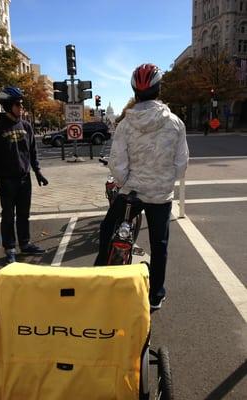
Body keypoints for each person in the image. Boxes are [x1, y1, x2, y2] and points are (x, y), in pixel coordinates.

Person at [94, 63, 189, 310]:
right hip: (160, 196)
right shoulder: (176, 123)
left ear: (134, 91)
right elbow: (181, 163)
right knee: (160, 245)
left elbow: (117, 163)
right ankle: (155, 294)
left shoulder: (125, 124)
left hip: (132, 194)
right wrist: (165, 181)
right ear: (159, 90)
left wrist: (127, 182)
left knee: (107, 230)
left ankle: (98, 279)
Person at [0, 87, 48, 264]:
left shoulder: (26, 126)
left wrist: (38, 172)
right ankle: (10, 248)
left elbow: (32, 153)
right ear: (7, 106)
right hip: (7, 181)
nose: (21, 107)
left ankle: (25, 243)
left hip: (24, 179)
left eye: (22, 104)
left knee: (23, 214)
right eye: (18, 104)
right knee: (7, 216)